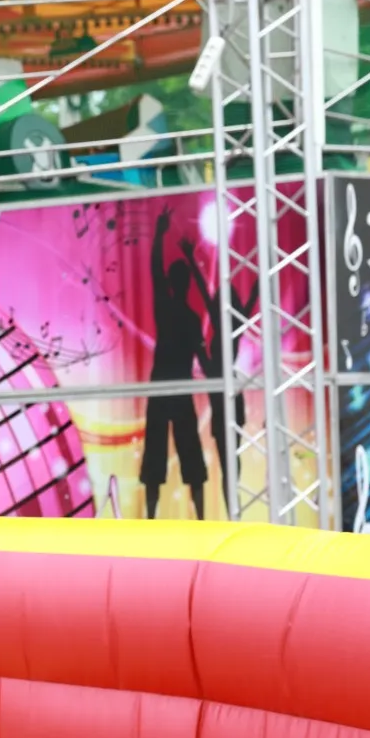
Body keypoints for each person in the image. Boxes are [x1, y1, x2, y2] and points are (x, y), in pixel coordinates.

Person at [140, 210, 211, 519]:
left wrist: (159, 234)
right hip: (172, 387)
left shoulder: (171, 310)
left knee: (177, 453)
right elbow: (156, 272)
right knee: (169, 453)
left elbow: (155, 271)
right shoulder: (186, 316)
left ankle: (166, 518)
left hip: (170, 387)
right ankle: (197, 519)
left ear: (174, 284)